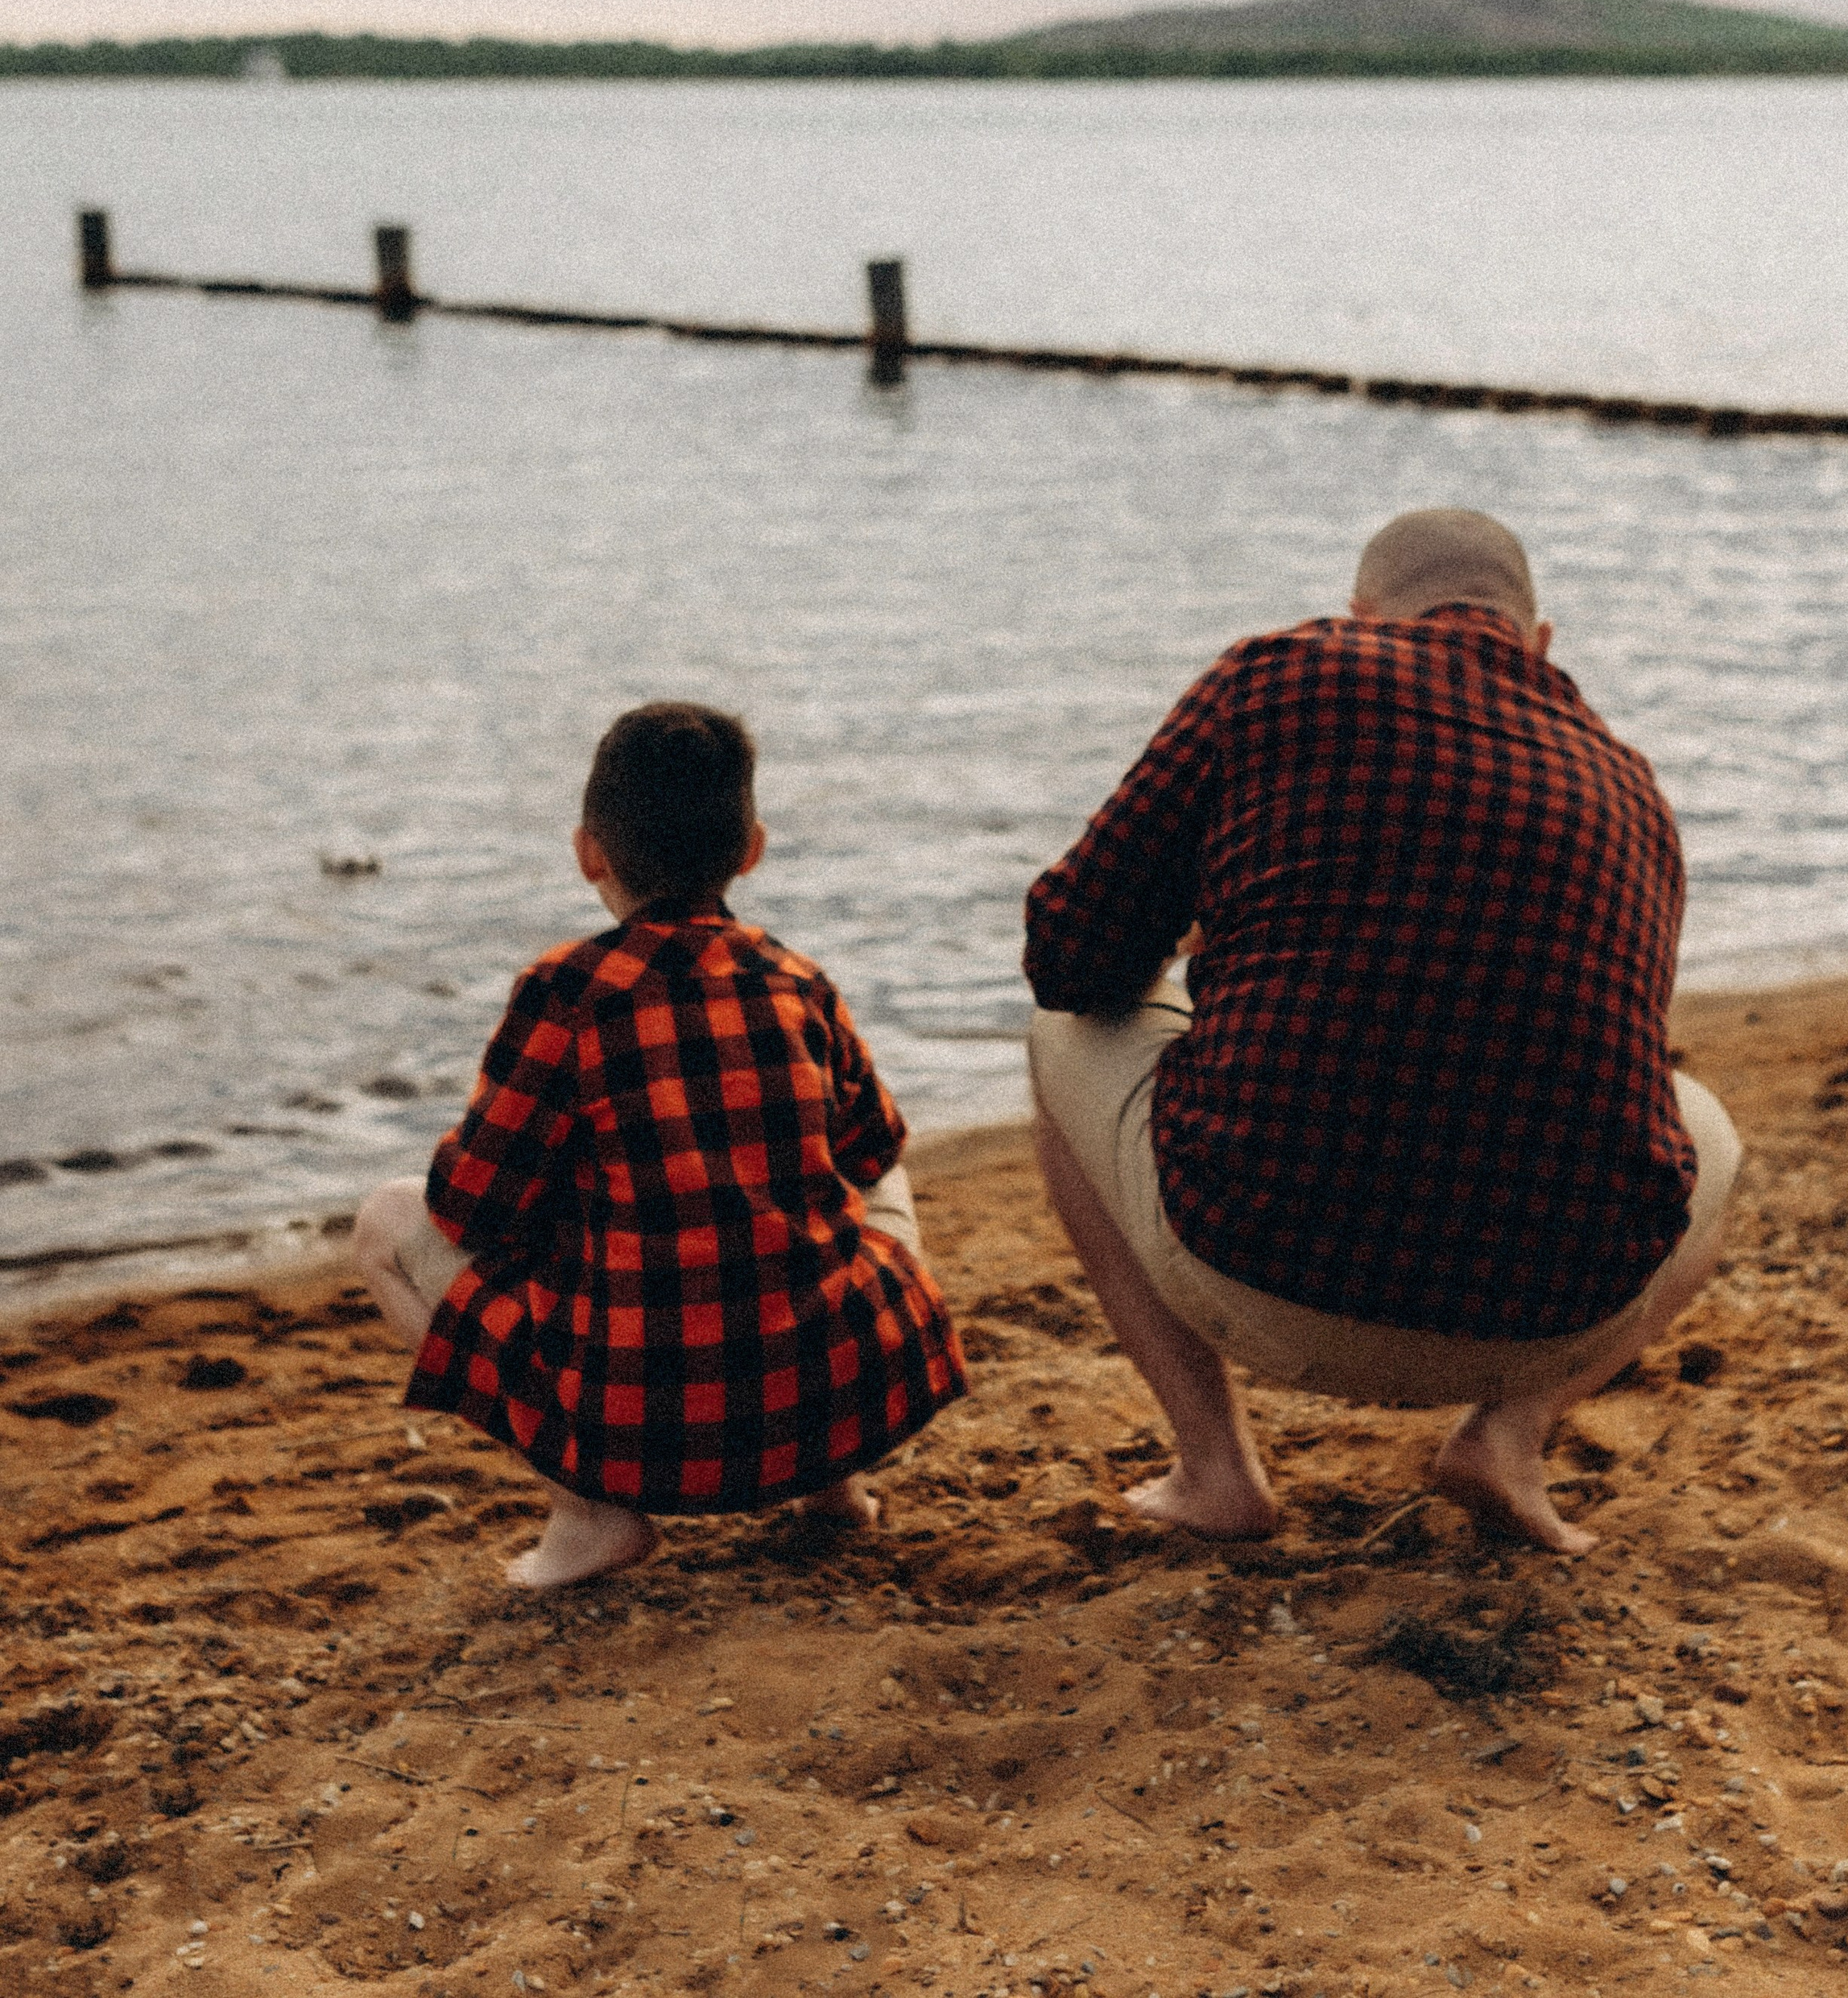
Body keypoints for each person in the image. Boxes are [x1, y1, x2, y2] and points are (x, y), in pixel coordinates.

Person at [1023, 508, 1738, 1557]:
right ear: (1539, 640)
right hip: (1553, 1312)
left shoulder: (1276, 675)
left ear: (1365, 615)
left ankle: (1216, 1469)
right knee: (1708, 1127)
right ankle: (1509, 1434)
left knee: (1059, 1032)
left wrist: (1209, 931)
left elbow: (1068, 955)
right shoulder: (1632, 787)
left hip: (1257, 1271)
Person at [353, 701, 965, 1590]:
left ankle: (587, 1512)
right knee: (863, 1173)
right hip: (837, 1396)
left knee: (384, 1222)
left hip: (642, 1430)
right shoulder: (798, 982)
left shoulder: (566, 993)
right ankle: (833, 1487)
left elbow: (471, 1206)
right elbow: (873, 1149)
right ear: (751, 849)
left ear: (588, 853)